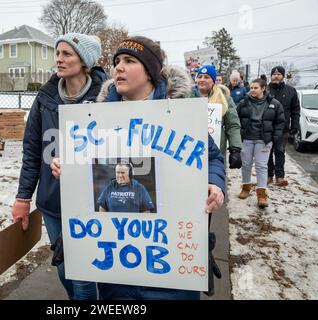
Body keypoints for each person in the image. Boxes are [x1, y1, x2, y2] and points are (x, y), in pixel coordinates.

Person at [53, 35, 225, 300]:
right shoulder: (95, 117)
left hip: (171, 270)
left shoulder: (181, 113)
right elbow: (88, 172)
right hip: (115, 268)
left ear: (150, 72)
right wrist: (69, 167)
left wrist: (215, 182)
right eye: (116, 61)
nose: (118, 67)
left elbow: (212, 157)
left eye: (129, 61)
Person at [11, 33, 107, 300]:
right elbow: (32, 150)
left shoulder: (108, 96)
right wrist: (22, 197)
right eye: (58, 53)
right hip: (53, 201)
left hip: (93, 202)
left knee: (85, 274)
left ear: (84, 60)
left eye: (67, 54)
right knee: (65, 269)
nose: (59, 60)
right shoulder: (45, 97)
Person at [237, 78, 285, 208]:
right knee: (246, 164)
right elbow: (236, 119)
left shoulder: (274, 104)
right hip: (247, 138)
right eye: (251, 88)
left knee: (261, 165)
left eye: (255, 88)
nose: (252, 90)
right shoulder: (243, 103)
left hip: (263, 140)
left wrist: (274, 137)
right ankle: (246, 187)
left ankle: (262, 194)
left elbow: (280, 122)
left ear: (263, 88)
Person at [193, 65, 243, 170]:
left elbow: (232, 125)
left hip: (216, 148)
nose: (202, 80)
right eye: (200, 76)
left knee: (216, 179)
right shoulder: (186, 96)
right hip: (191, 148)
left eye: (206, 77)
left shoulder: (224, 99)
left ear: (213, 81)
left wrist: (235, 149)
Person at [267, 66, 300, 186]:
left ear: (283, 76)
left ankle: (280, 177)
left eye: (279, 74)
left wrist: (295, 125)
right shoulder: (265, 89)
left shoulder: (291, 90)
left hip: (283, 127)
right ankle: (268, 175)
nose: (276, 76)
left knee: (280, 152)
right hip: (267, 127)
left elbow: (295, 109)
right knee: (267, 152)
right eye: (274, 74)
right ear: (271, 76)